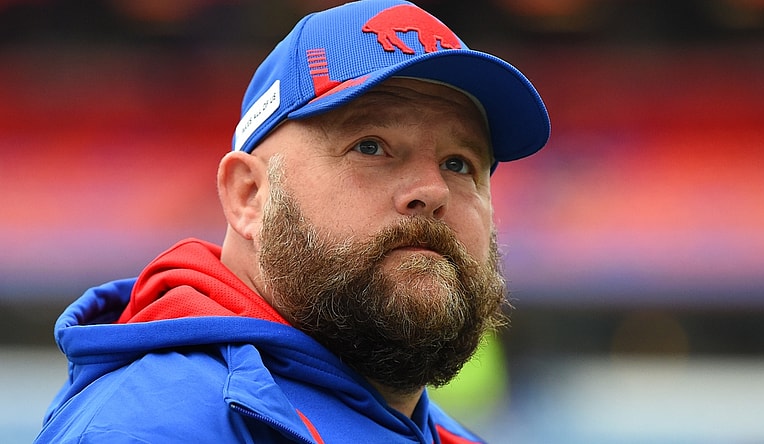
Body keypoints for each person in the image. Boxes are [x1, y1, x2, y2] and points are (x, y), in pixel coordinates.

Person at [35, 0, 550, 442]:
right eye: (370, 147)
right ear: (249, 196)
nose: (432, 192)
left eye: (460, 163)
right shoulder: (145, 428)